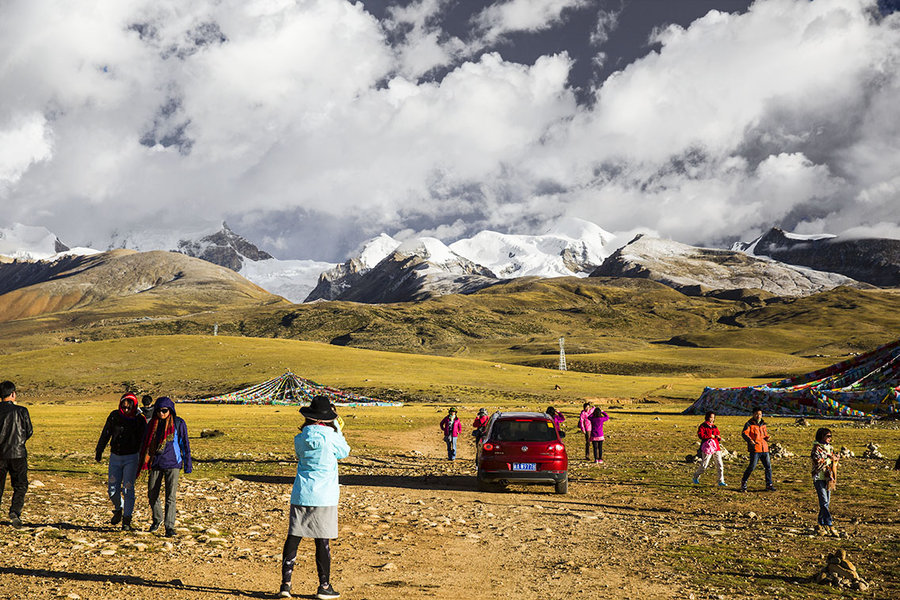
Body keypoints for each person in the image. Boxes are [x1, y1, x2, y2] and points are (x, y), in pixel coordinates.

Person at [279, 395, 350, 599]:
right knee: (322, 541)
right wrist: (337, 427)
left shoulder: (300, 438)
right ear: (328, 417)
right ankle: (324, 585)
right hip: (325, 495)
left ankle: (286, 584)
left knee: (293, 538)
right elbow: (344, 451)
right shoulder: (331, 436)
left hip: (302, 492)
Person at [138, 397, 192, 537]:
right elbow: (145, 443)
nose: (161, 414)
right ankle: (157, 519)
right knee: (152, 493)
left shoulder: (178, 423)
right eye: (159, 411)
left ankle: (169, 526)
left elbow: (184, 443)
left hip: (173, 464)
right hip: (155, 463)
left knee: (170, 496)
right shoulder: (152, 424)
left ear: (170, 410)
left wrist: (187, 464)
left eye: (164, 411)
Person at [96, 392, 147, 530]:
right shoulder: (114, 416)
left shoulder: (139, 420)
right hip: (115, 457)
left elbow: (144, 440)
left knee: (128, 489)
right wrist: (99, 450)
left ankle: (127, 520)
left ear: (134, 405)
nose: (126, 408)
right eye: (124, 405)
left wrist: (144, 458)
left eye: (129, 406)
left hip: (132, 457)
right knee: (112, 490)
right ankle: (119, 508)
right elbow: (106, 433)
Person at [0, 381, 32, 528]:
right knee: (20, 485)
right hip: (18, 454)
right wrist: (19, 442)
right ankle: (15, 511)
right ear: (13, 394)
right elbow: (29, 431)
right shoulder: (21, 410)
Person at [811, 428, 839, 534]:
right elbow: (817, 462)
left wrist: (834, 459)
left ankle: (820, 522)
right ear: (821, 436)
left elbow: (832, 461)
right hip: (819, 477)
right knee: (824, 502)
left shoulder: (830, 448)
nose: (829, 438)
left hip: (828, 477)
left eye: (830, 436)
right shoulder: (816, 449)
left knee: (826, 502)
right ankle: (829, 523)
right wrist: (830, 459)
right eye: (828, 436)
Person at [740, 407, 774, 492]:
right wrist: (750, 440)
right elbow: (744, 434)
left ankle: (769, 484)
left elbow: (764, 435)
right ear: (753, 414)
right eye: (757, 414)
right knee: (752, 466)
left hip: (764, 449)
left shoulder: (763, 424)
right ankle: (744, 482)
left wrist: (767, 437)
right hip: (755, 449)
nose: (758, 416)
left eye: (760, 414)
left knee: (768, 467)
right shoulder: (749, 424)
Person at [692, 411, 726, 487]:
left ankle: (721, 481)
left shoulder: (714, 427)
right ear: (707, 417)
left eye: (713, 417)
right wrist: (710, 436)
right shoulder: (703, 426)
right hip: (707, 447)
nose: (712, 419)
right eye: (711, 417)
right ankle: (696, 476)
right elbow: (701, 435)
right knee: (704, 464)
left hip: (716, 447)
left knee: (720, 464)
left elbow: (717, 434)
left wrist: (718, 437)